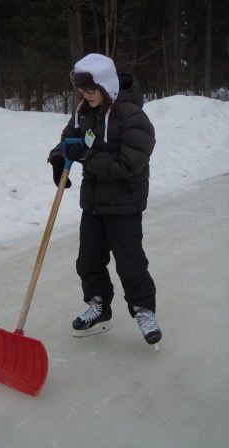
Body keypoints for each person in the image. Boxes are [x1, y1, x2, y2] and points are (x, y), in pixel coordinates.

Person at [48, 53, 162, 345]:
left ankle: (143, 310)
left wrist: (86, 155)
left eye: (91, 90)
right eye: (82, 91)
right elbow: (68, 138)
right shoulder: (84, 111)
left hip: (125, 202)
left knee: (130, 261)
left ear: (107, 87)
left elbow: (127, 165)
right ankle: (98, 306)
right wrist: (59, 158)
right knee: (88, 259)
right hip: (94, 203)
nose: (86, 96)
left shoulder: (133, 117)